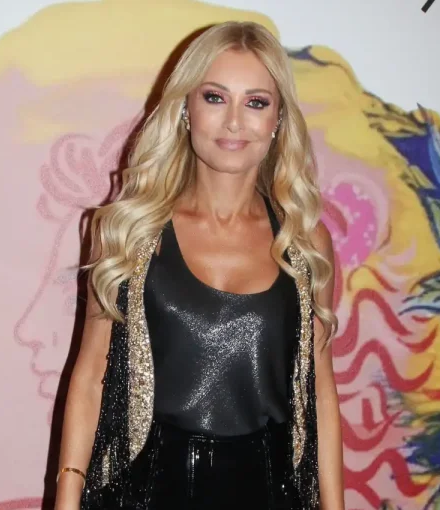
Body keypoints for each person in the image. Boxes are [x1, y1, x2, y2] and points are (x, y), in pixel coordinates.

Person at [53, 21, 345, 510]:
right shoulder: (129, 232)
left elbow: (322, 394)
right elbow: (89, 378)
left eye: (256, 102)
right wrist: (67, 497)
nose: (234, 122)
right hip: (147, 494)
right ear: (186, 108)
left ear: (278, 119)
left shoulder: (305, 244)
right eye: (215, 97)